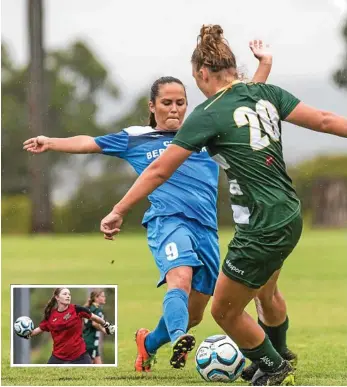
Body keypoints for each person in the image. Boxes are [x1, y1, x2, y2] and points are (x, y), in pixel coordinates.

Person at [99, 24, 347, 386]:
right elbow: (324, 120)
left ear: (201, 73)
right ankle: (279, 356)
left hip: (260, 224)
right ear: (234, 68)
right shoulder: (265, 92)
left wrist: (119, 209)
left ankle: (274, 366)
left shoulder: (208, 113)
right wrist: (266, 66)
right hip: (289, 213)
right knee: (266, 292)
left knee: (224, 311)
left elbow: (158, 171)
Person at [23, 40, 272, 371]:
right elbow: (90, 143)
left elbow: (245, 105)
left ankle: (149, 342)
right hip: (168, 221)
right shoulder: (136, 137)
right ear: (152, 106)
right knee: (179, 280)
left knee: (196, 312)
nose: (174, 108)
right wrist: (50, 142)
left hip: (207, 230)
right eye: (166, 102)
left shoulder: (204, 129)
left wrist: (264, 66)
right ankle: (180, 337)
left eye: (180, 103)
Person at [22, 288, 115, 364]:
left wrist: (106, 324)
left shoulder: (77, 309)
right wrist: (26, 333)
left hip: (80, 355)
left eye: (69, 294)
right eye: (65, 294)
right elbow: (38, 329)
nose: (68, 296)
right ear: (57, 297)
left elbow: (95, 318)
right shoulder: (51, 316)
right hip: (58, 357)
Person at [83, 289, 108, 364]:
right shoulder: (97, 309)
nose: (105, 298)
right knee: (89, 367)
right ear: (96, 298)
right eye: (102, 296)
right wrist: (104, 330)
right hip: (91, 342)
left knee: (99, 365)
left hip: (88, 340)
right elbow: (95, 323)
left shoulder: (88, 308)